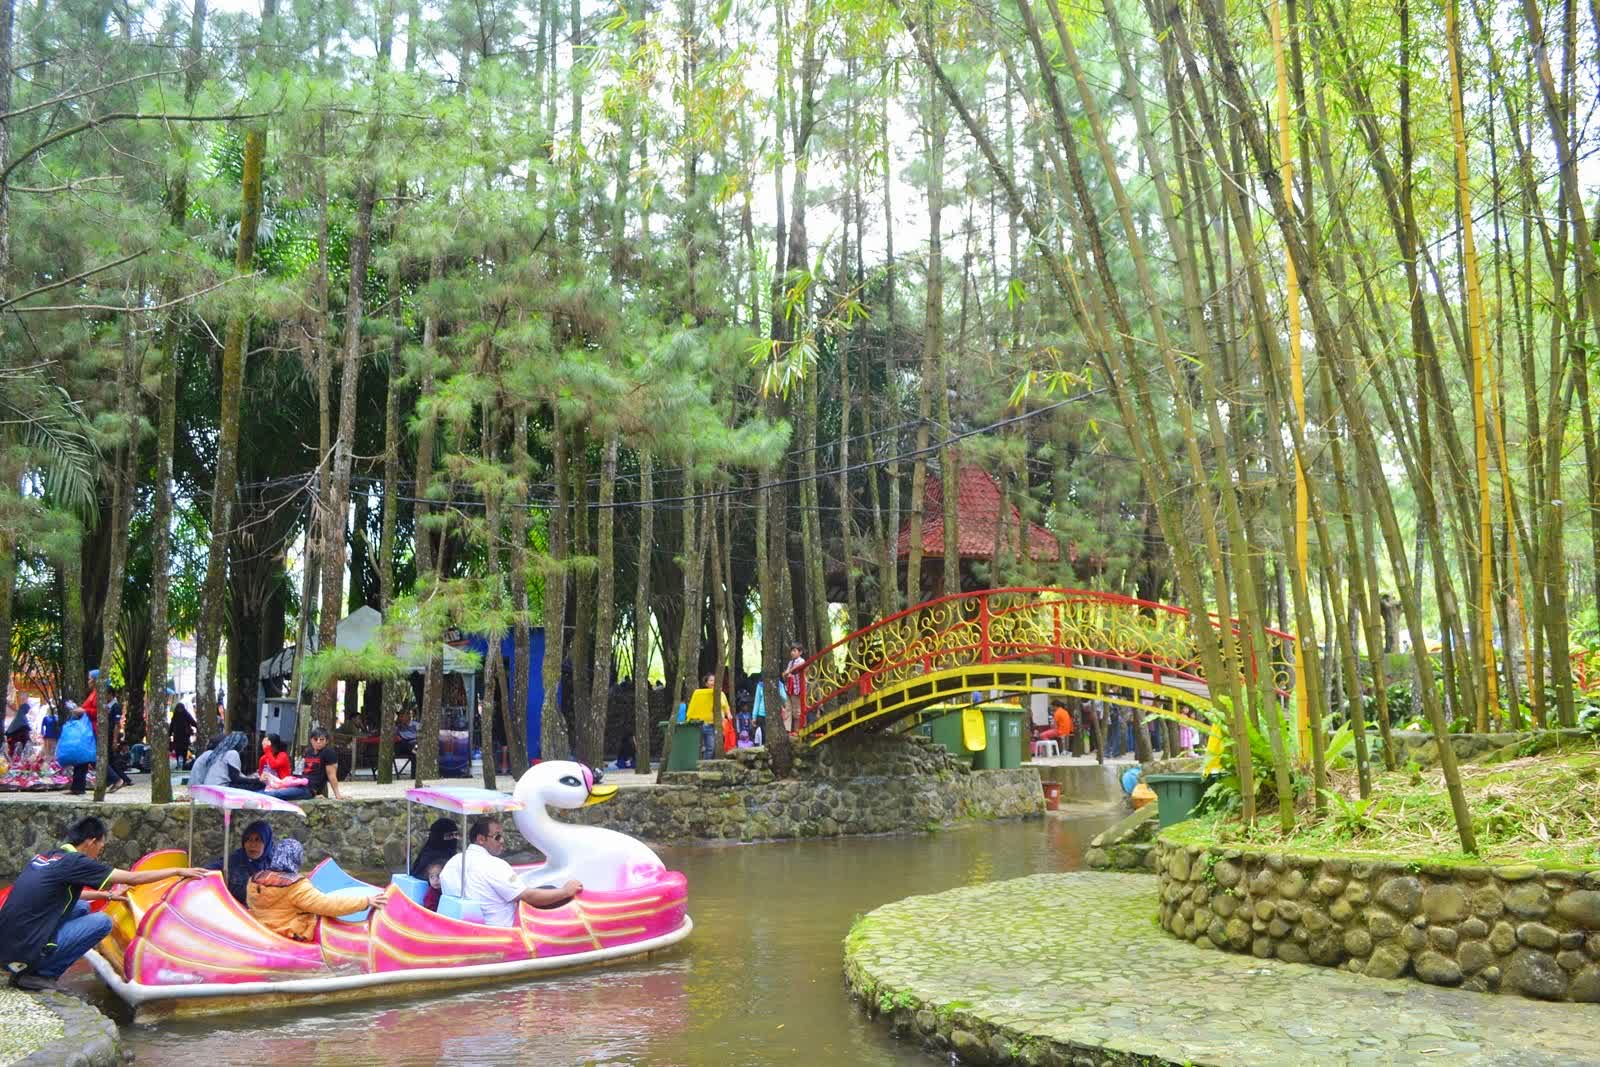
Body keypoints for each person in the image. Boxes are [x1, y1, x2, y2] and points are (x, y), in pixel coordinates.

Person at [0, 816, 207, 991]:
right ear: (90, 842)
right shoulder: (76, 862)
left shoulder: (48, 856)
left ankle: (26, 967)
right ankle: (41, 973)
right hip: (23, 950)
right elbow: (131, 878)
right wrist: (177, 871)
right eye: (100, 845)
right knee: (102, 922)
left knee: (81, 907)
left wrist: (107, 896)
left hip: (9, 946)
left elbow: (57, 896)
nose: (100, 850)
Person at [438, 818, 581, 927]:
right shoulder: (494, 865)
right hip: (503, 930)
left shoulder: (452, 863)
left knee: (547, 890)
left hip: (465, 928)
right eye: (497, 836)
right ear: (481, 839)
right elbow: (528, 897)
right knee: (558, 895)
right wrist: (566, 891)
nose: (502, 841)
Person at [247, 839, 385, 942]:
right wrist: (365, 901)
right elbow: (329, 906)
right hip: (289, 936)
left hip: (263, 932)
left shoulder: (255, 880)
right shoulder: (296, 886)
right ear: (297, 858)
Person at [209, 819, 274, 906]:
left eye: (258, 840)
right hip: (237, 914)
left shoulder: (275, 865)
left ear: (266, 843)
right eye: (248, 839)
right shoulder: (233, 860)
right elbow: (206, 871)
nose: (252, 844)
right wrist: (185, 872)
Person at [300, 727, 345, 800]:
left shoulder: (328, 753)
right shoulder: (308, 751)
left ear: (326, 741)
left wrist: (338, 795)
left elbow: (331, 775)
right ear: (311, 740)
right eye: (315, 739)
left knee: (278, 794)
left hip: (310, 789)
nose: (318, 742)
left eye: (321, 739)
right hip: (301, 784)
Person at [409, 817, 460, 881]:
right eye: (449, 835)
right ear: (438, 837)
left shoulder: (449, 853)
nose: (454, 838)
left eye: (456, 835)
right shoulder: (431, 856)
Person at [168, 700, 194, 769]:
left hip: (178, 737)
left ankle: (180, 764)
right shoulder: (185, 714)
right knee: (183, 751)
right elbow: (192, 722)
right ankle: (183, 763)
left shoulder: (176, 716)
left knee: (179, 751)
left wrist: (169, 734)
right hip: (183, 737)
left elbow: (171, 726)